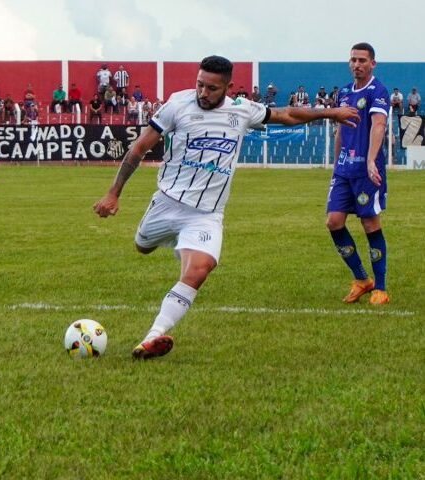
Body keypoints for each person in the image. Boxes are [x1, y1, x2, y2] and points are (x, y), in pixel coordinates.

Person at [93, 55, 359, 360]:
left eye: (212, 88)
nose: (203, 93)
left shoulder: (241, 110)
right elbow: (138, 149)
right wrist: (114, 193)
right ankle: (165, 242)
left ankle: (152, 337)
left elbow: (286, 114)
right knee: (142, 246)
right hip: (166, 204)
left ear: (228, 88)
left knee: (200, 269)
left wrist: (329, 114)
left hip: (206, 214)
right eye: (200, 85)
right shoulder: (177, 105)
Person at [326, 42, 390, 305]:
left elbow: (379, 125)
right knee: (334, 222)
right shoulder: (343, 93)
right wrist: (335, 166)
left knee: (369, 224)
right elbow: (341, 131)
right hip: (344, 169)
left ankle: (381, 289)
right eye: (353, 60)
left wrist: (372, 161)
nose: (357, 64)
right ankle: (362, 279)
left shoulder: (379, 90)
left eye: (362, 60)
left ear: (372, 63)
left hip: (367, 169)